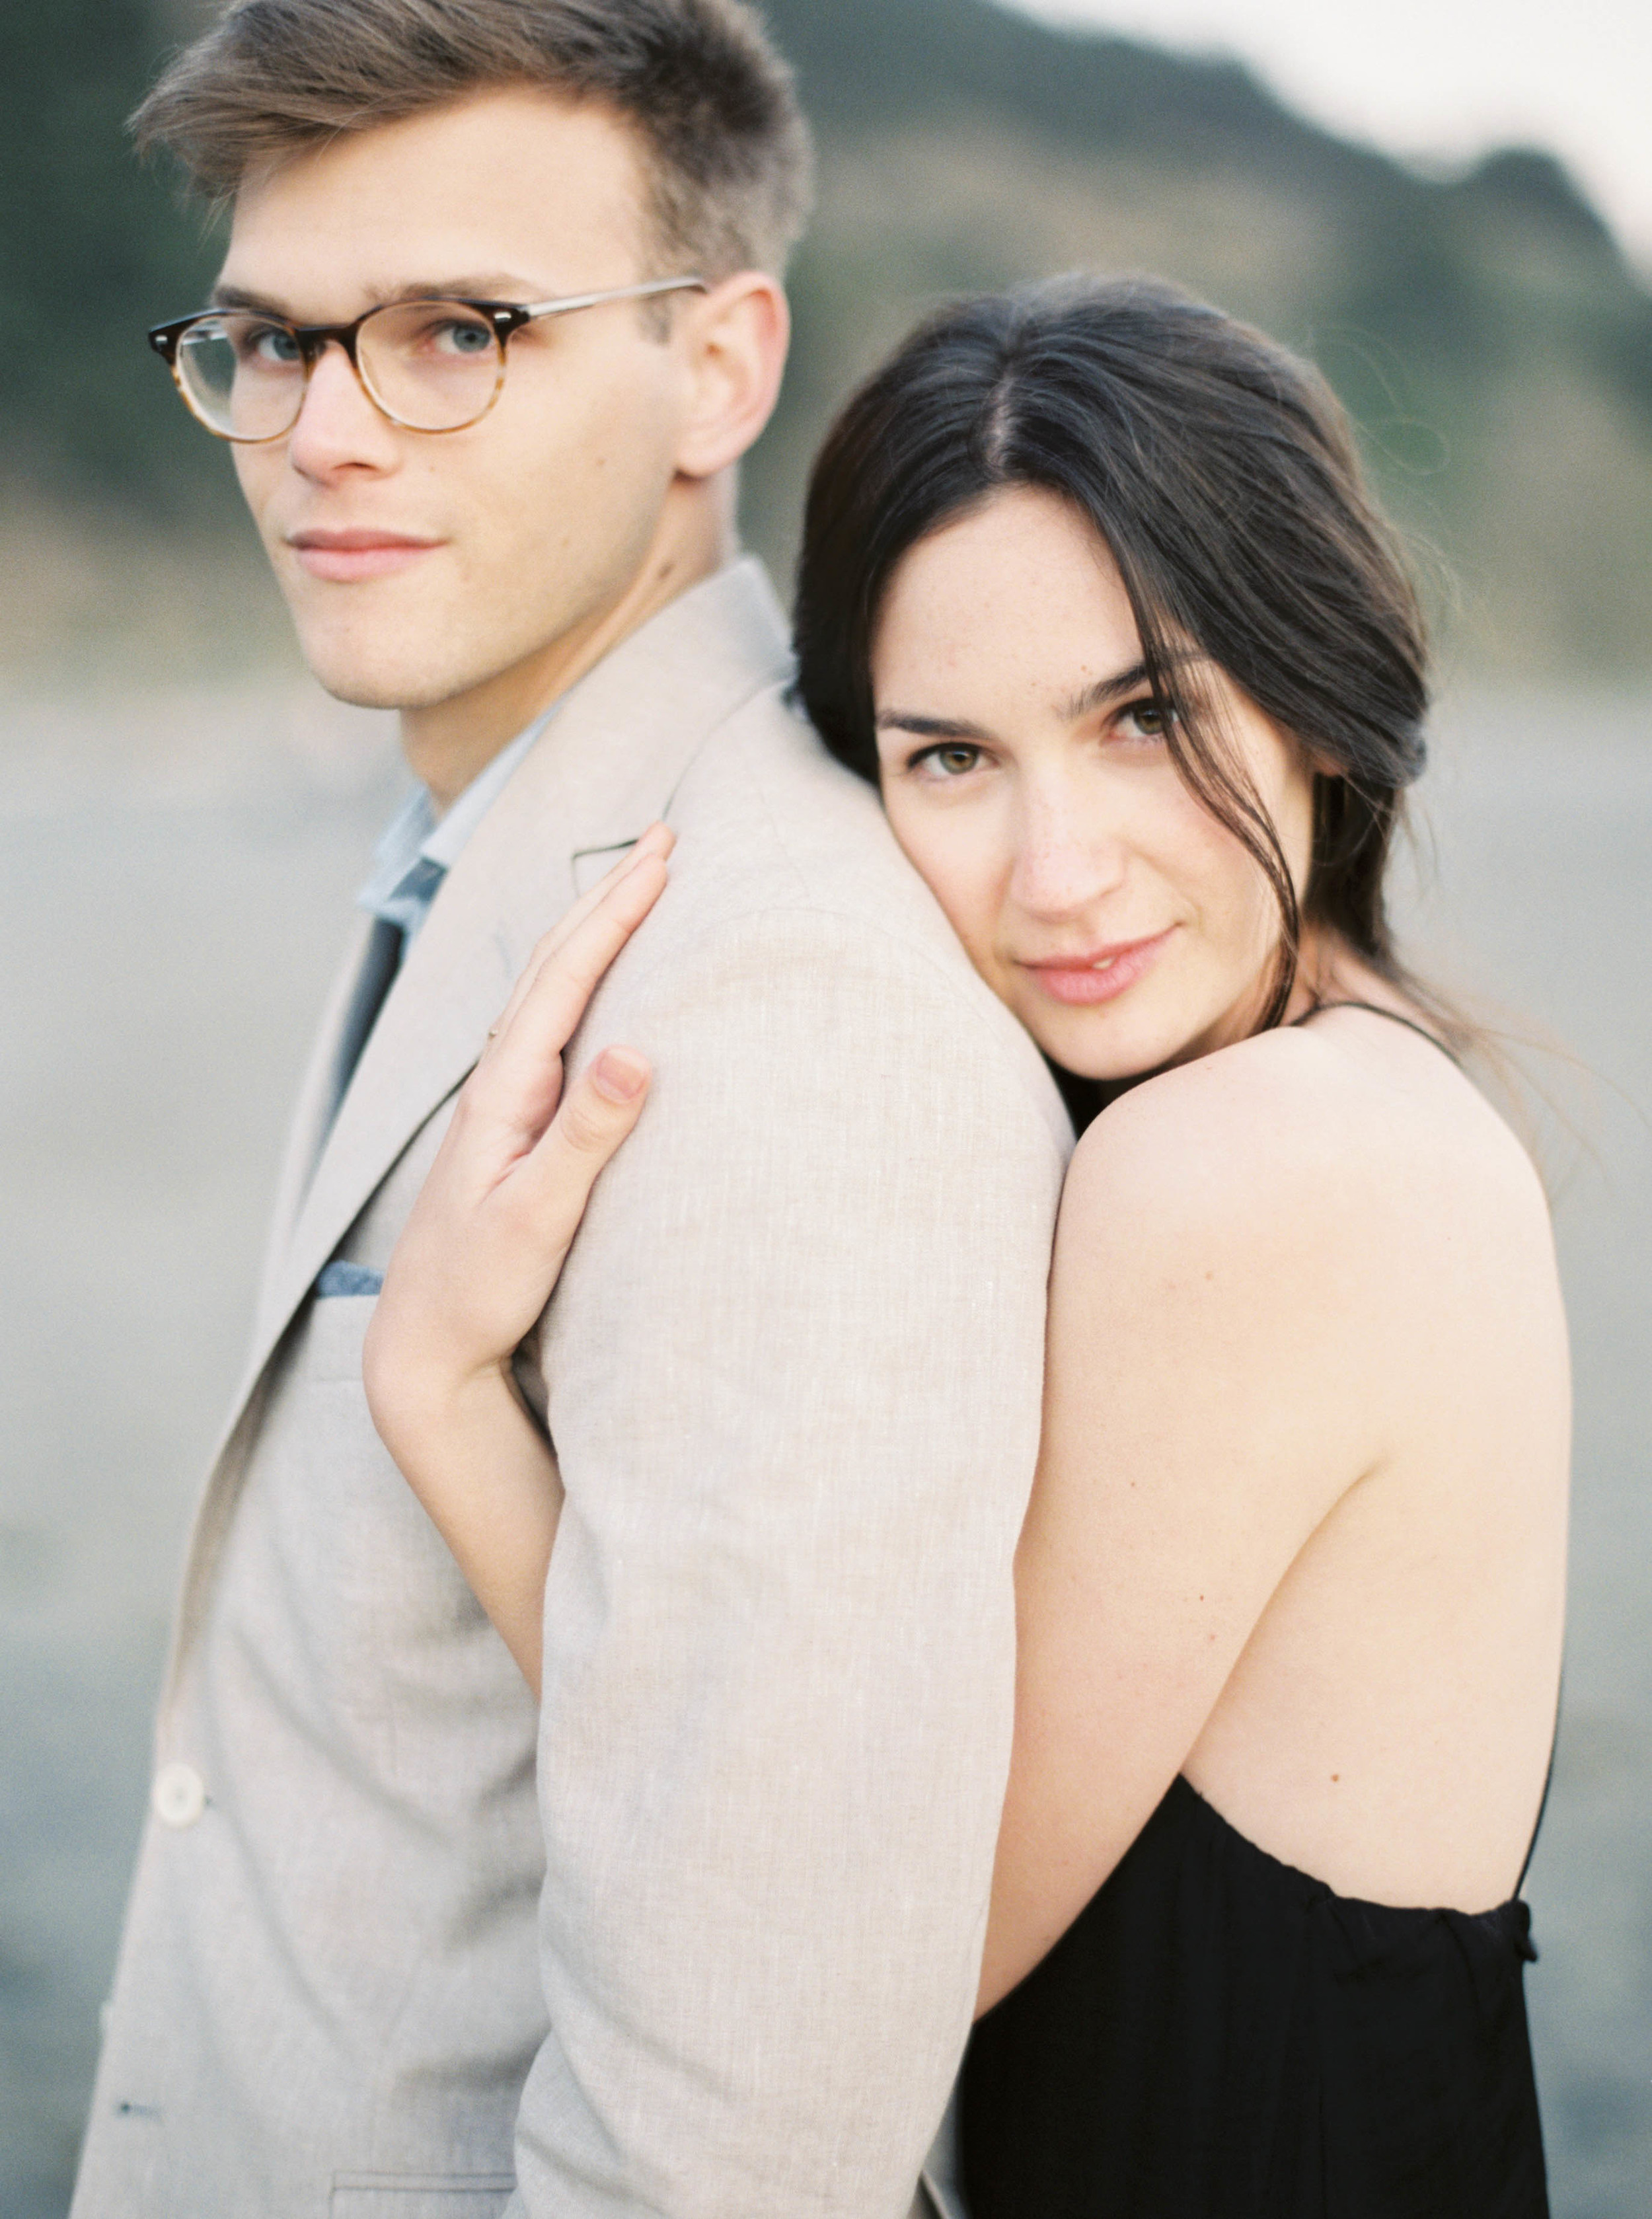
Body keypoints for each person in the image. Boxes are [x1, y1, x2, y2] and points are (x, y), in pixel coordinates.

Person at [365, 278, 1569, 2217]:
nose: (1056, 873)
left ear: (1315, 682)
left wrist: (441, 1399)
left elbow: (856, 1958)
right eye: (949, 759)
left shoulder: (1254, 1167)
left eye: (1144, 719)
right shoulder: (1361, 1079)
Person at [74, 7, 1072, 2217]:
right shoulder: (489, 846)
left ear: (718, 370)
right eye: (268, 341)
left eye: (458, 331)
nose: (326, 431)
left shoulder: (790, 998)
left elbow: (753, 2097)